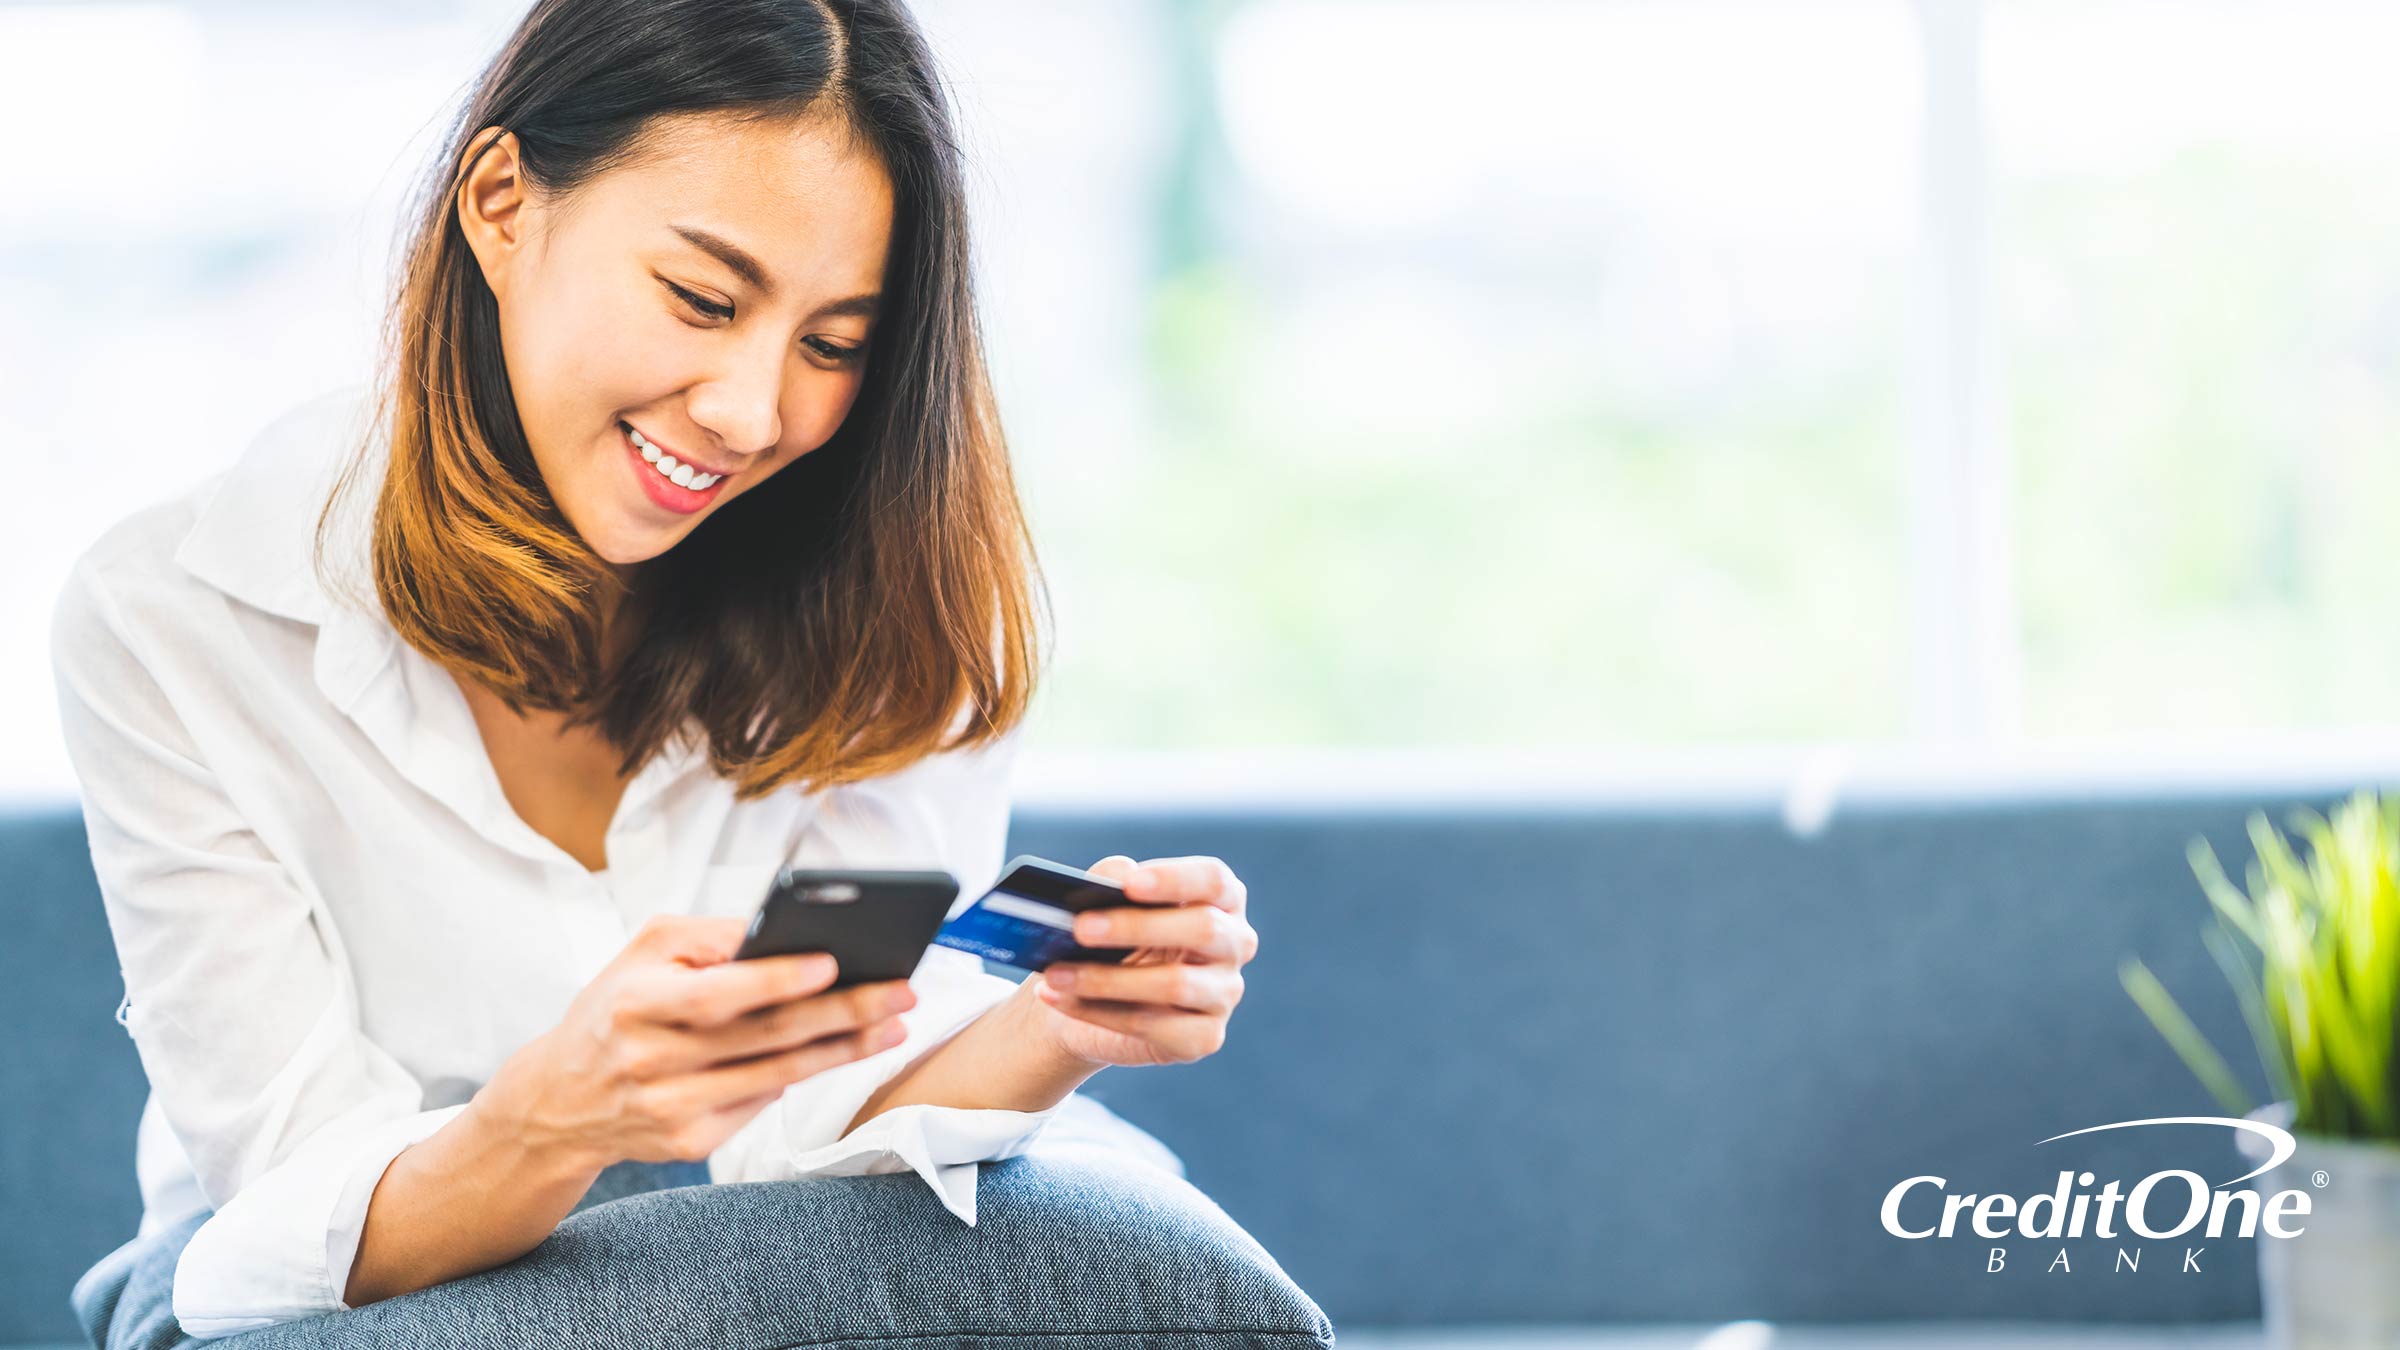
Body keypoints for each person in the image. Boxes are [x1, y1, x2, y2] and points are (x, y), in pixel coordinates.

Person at [50, 0, 1259, 1341]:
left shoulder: (896, 604)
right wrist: (552, 1114)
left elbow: (821, 1121)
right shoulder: (175, 616)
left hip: (763, 1228)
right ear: (502, 203)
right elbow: (289, 1208)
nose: (751, 411)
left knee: (1109, 1230)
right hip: (344, 1263)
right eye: (701, 299)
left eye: (833, 344)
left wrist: (1061, 1024)